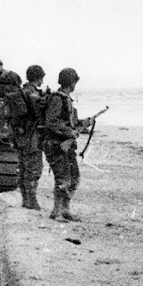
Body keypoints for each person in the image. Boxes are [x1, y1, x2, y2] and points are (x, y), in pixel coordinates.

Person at [43, 68, 94, 222]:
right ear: (71, 82)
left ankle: (65, 210)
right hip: (57, 145)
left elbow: (70, 123)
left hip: (67, 146)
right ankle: (56, 212)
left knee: (74, 178)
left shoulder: (66, 99)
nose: (75, 85)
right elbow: (51, 122)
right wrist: (70, 133)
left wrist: (85, 123)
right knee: (63, 179)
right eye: (74, 81)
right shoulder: (58, 99)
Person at [12, 64, 47, 210]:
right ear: (38, 77)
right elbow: (39, 113)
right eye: (41, 78)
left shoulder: (22, 91)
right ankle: (32, 201)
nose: (42, 82)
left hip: (21, 135)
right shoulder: (32, 93)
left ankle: (25, 200)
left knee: (23, 168)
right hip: (32, 136)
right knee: (34, 168)